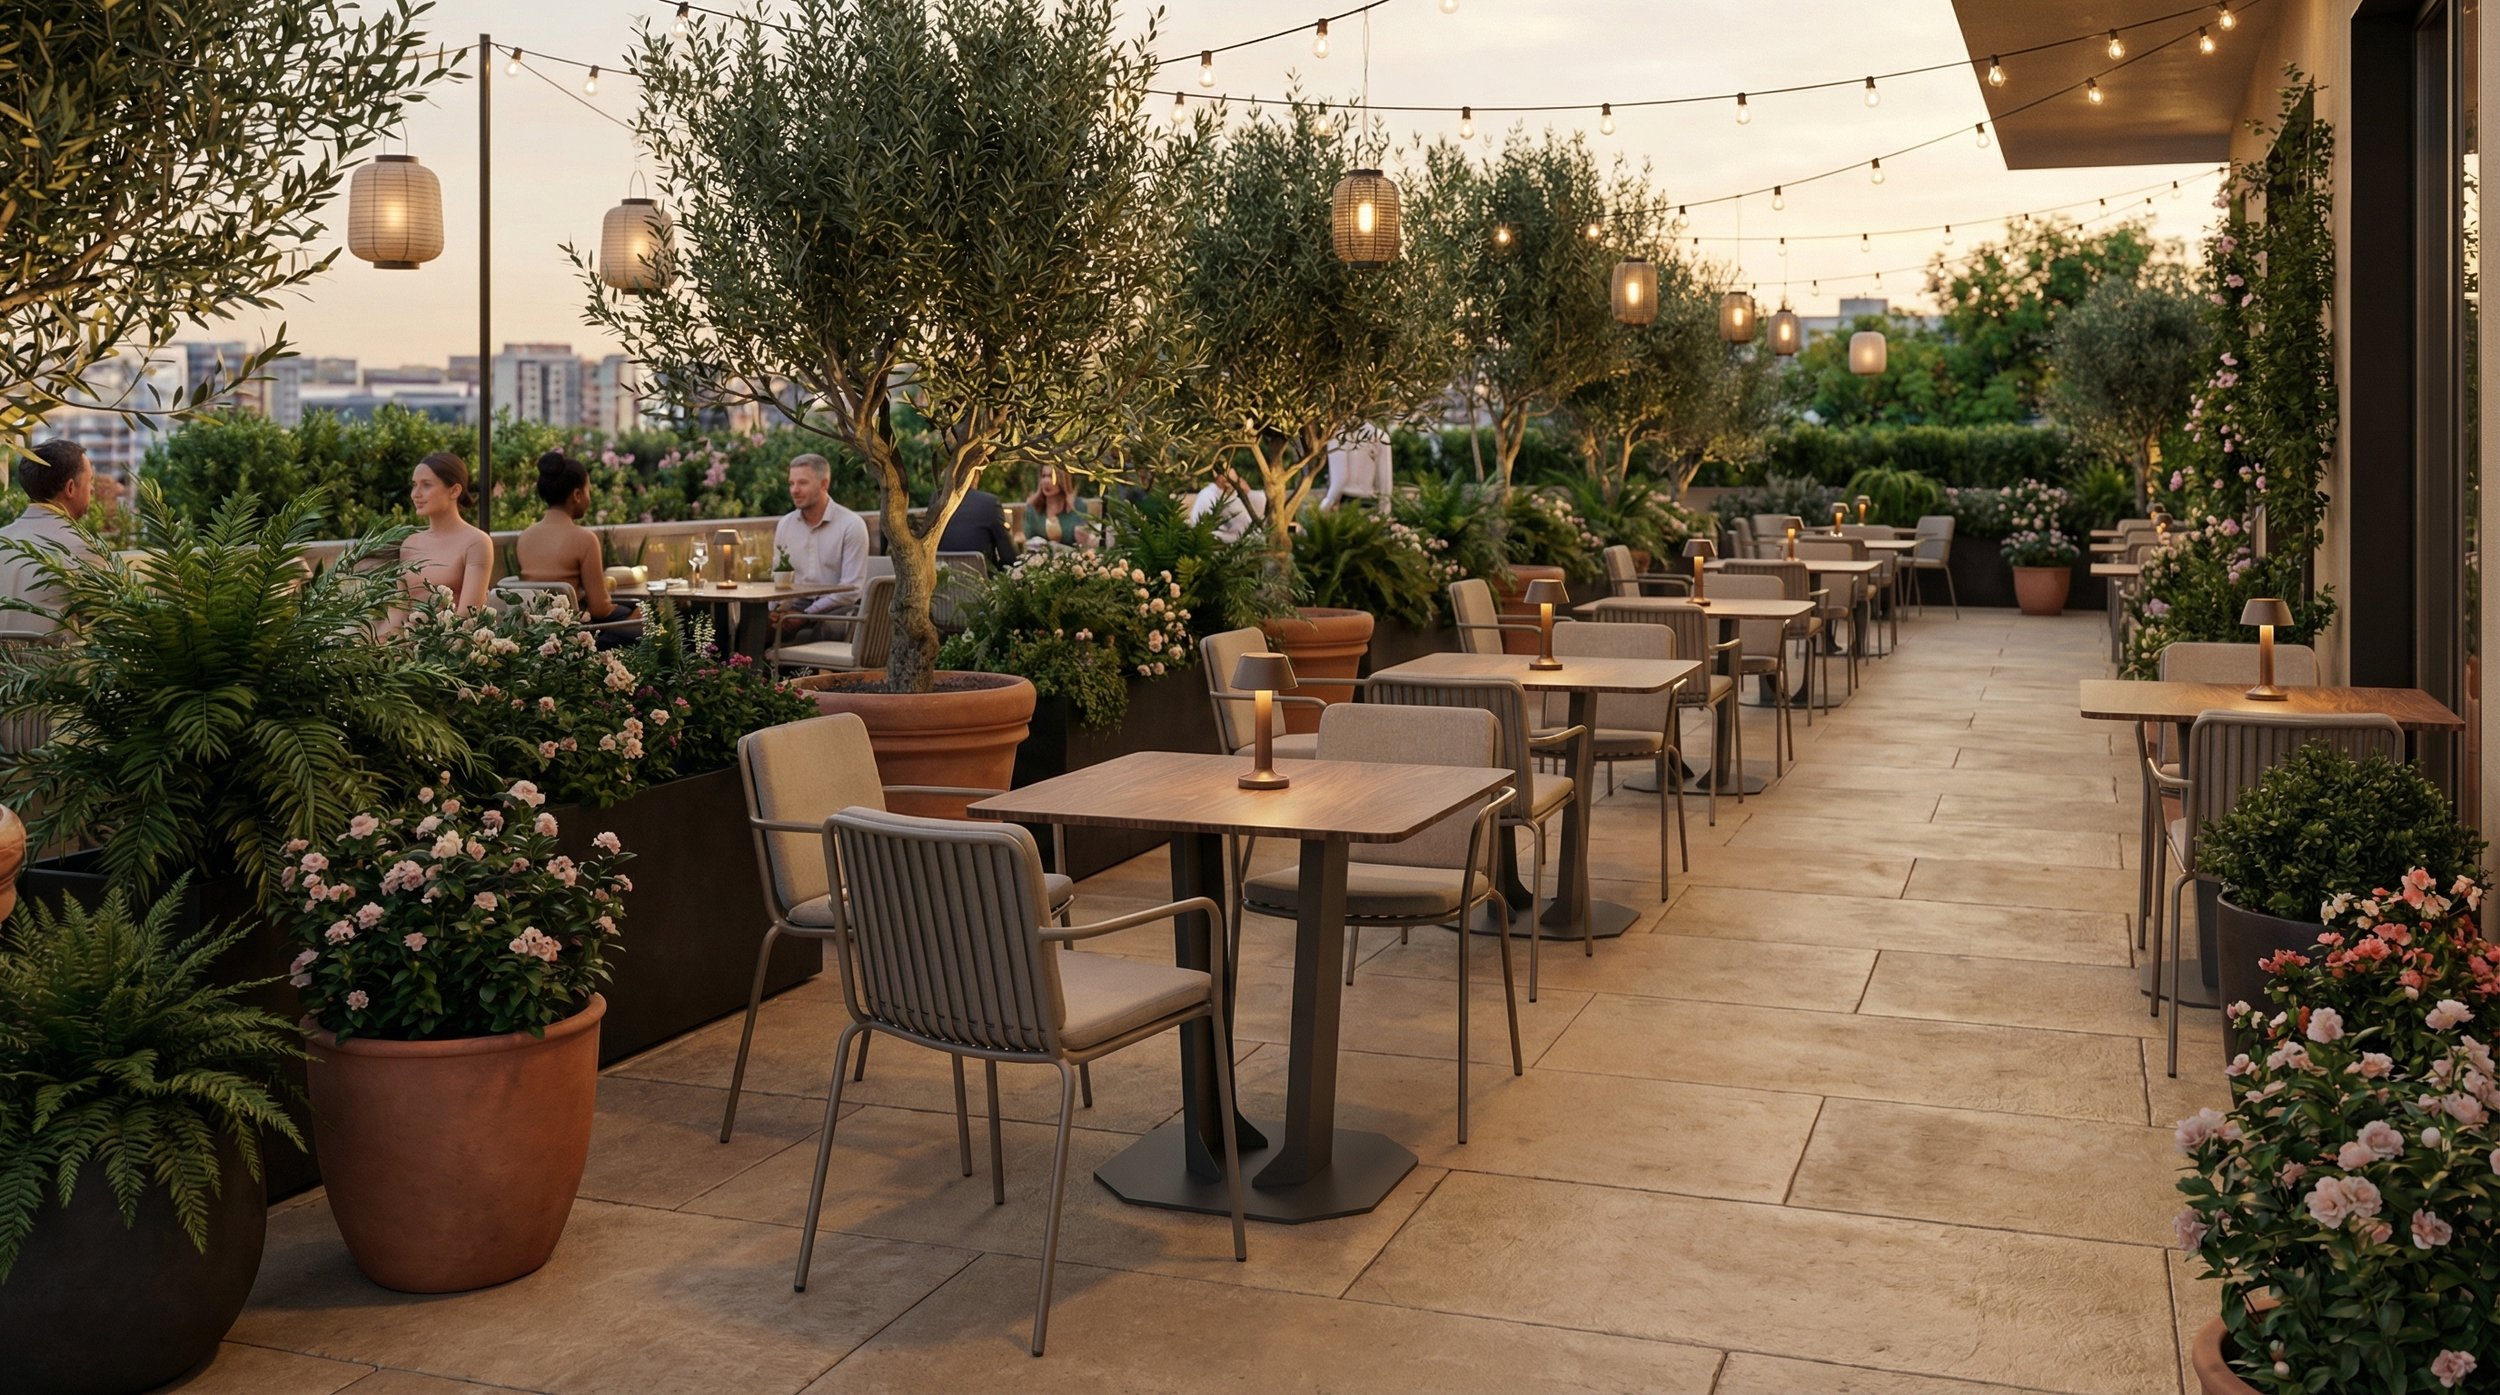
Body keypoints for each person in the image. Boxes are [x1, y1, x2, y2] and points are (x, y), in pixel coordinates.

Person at [516, 451, 639, 645]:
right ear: (577, 495)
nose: (589, 498)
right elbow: (600, 609)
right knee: (649, 616)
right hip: (574, 635)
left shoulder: (525, 537)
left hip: (537, 634)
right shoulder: (585, 539)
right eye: (588, 491)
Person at [0, 439, 102, 637]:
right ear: (70, 488)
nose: (92, 489)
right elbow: (109, 624)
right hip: (55, 667)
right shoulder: (84, 548)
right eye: (90, 480)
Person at [772, 453, 869, 634]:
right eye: (791, 483)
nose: (794, 490)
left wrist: (806, 615)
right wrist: (774, 610)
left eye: (802, 483)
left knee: (824, 628)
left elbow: (851, 590)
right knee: (749, 625)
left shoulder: (851, 525)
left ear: (824, 484)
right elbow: (778, 577)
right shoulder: (785, 524)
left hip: (835, 606)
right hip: (796, 602)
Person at [400, 452, 493, 613]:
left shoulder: (476, 542)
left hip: (452, 635)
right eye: (414, 485)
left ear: (454, 491)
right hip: (408, 635)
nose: (415, 494)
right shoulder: (409, 544)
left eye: (426, 485)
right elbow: (397, 613)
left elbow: (468, 616)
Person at [939, 485, 1017, 568]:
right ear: (975, 474)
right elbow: (1009, 557)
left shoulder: (938, 499)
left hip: (943, 576)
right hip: (981, 578)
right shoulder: (989, 502)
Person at [1187, 464, 1266, 544]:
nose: (1227, 475)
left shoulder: (1240, 492)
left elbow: (1262, 506)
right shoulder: (1208, 494)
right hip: (1227, 545)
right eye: (1223, 471)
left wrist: (1248, 492)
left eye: (1230, 469)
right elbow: (1198, 526)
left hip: (1253, 541)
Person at [1321, 427, 1394, 510]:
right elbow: (1385, 480)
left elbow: (1340, 478)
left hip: (1345, 502)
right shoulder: (1381, 436)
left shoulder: (1338, 436)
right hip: (1370, 501)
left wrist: (1326, 504)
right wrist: (1385, 510)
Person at [1022, 464, 1092, 549]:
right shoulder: (1032, 507)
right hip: (1039, 559)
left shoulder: (1078, 506)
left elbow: (1085, 545)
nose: (1046, 481)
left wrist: (1084, 539)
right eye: (1043, 476)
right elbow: (1027, 542)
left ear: (1063, 480)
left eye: (1051, 476)